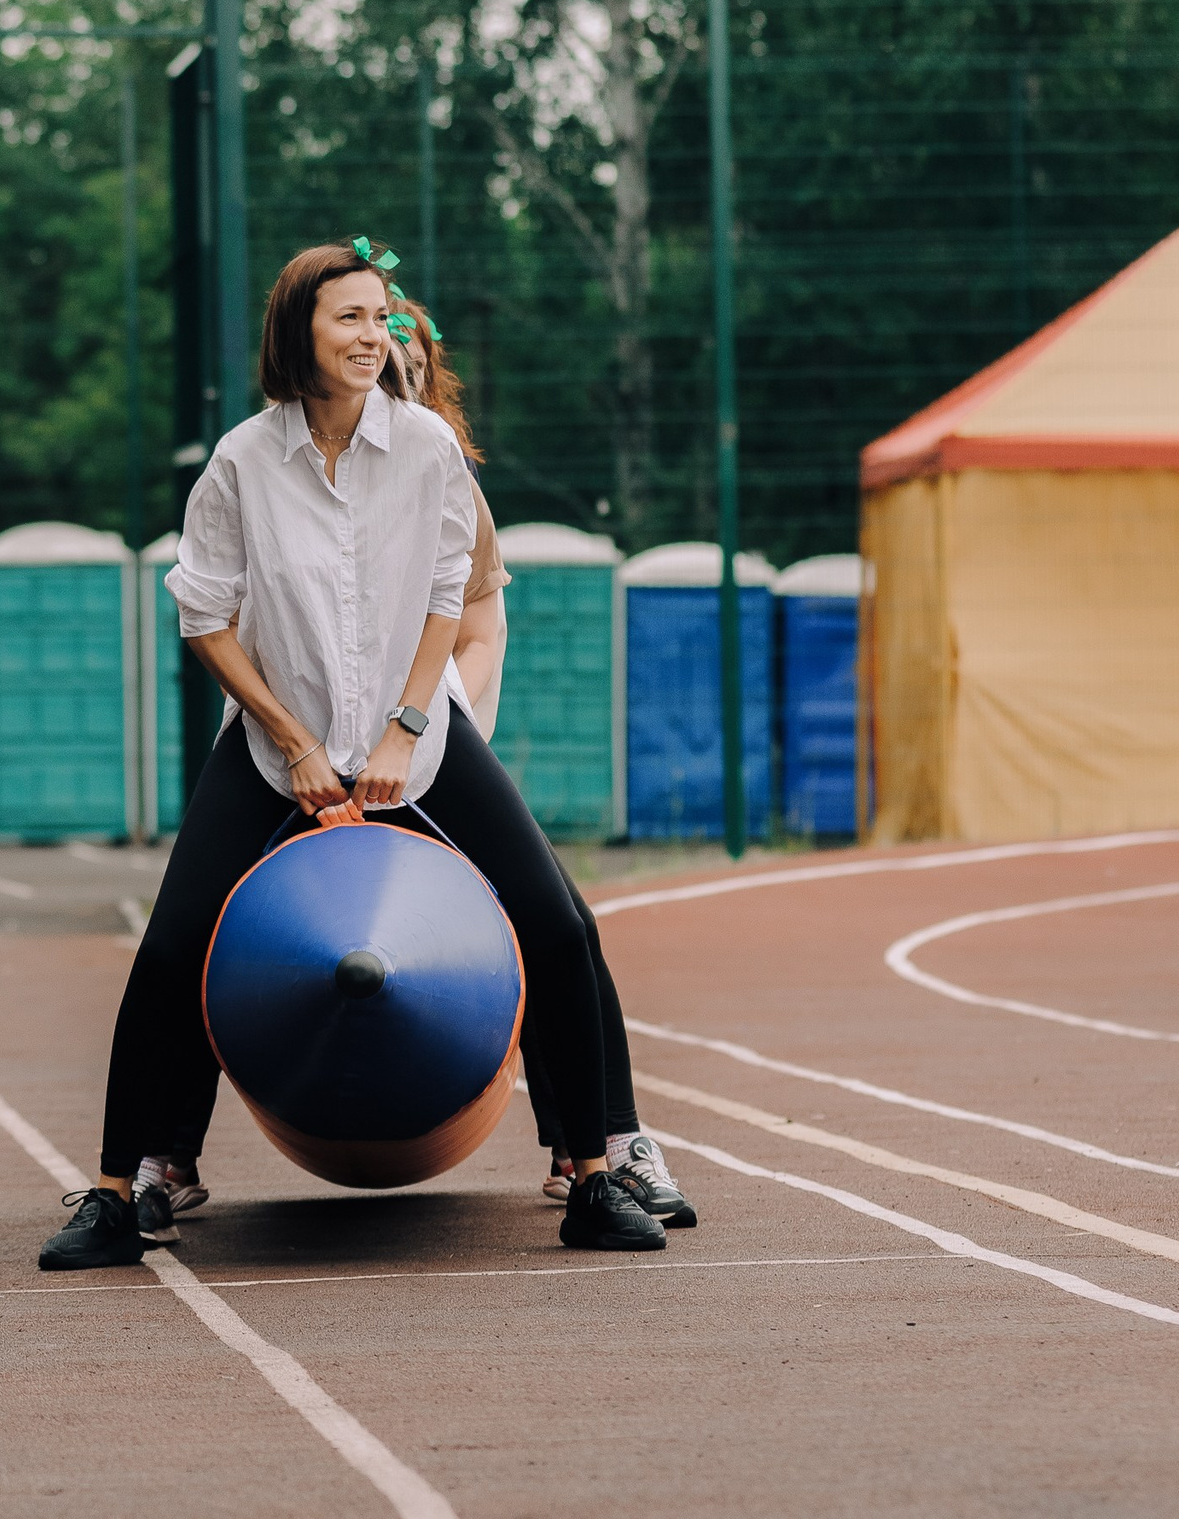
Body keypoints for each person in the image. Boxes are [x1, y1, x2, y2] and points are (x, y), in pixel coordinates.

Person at [37, 236, 667, 1270]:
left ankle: (596, 1170)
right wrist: (288, 739)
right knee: (168, 951)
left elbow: (444, 596)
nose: (372, 336)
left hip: (413, 732)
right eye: (349, 318)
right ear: (300, 330)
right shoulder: (242, 459)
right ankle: (124, 1183)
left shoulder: (425, 449)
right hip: (269, 744)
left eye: (380, 318)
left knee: (556, 925)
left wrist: (405, 728)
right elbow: (204, 616)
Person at [390, 296, 695, 1227]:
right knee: (188, 930)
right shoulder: (270, 470)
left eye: (404, 365)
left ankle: (604, 1141)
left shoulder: (448, 484)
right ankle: (160, 1156)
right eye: (361, 350)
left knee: (562, 923)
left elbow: (480, 631)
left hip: (427, 743)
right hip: (301, 752)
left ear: (426, 380)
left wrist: (437, 721)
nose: (382, 374)